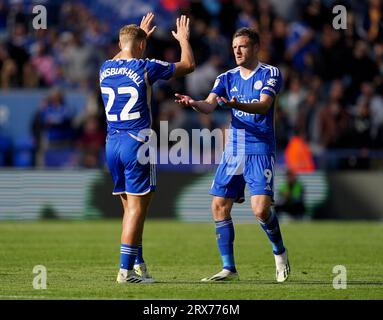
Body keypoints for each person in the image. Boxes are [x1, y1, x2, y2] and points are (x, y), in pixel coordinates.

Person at [175, 27, 290, 282]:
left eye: (243, 46)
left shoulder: (271, 73)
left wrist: (235, 104)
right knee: (219, 205)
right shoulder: (226, 77)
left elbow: (263, 106)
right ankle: (229, 268)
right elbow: (209, 105)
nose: (237, 51)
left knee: (260, 210)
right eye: (235, 46)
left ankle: (279, 252)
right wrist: (194, 103)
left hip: (260, 147)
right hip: (235, 149)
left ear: (255, 47)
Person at [100, 13, 195, 283]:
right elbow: (188, 65)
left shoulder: (105, 67)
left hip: (112, 145)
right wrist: (184, 40)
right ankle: (125, 271)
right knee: (137, 210)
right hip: (137, 143)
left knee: (130, 208)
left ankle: (138, 263)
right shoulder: (146, 66)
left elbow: (124, 54)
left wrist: (137, 38)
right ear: (142, 45)